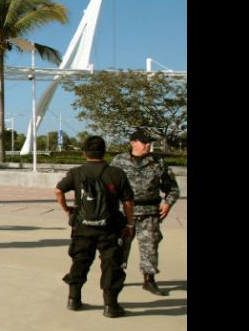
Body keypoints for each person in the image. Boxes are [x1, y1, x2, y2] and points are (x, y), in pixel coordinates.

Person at [55, 135, 135, 318]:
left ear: (84, 153)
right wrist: (130, 223)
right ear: (104, 152)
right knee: (111, 264)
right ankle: (110, 305)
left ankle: (73, 299)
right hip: (110, 228)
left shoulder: (76, 172)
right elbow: (128, 202)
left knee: (80, 260)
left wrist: (68, 211)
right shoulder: (116, 173)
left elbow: (59, 191)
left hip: (82, 227)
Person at [110, 128, 180, 296]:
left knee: (150, 247)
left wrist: (168, 203)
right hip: (124, 213)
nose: (148, 145)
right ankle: (115, 279)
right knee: (120, 247)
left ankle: (149, 281)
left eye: (150, 142)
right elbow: (109, 187)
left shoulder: (158, 162)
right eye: (144, 142)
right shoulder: (119, 161)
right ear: (133, 143)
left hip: (149, 213)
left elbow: (172, 188)